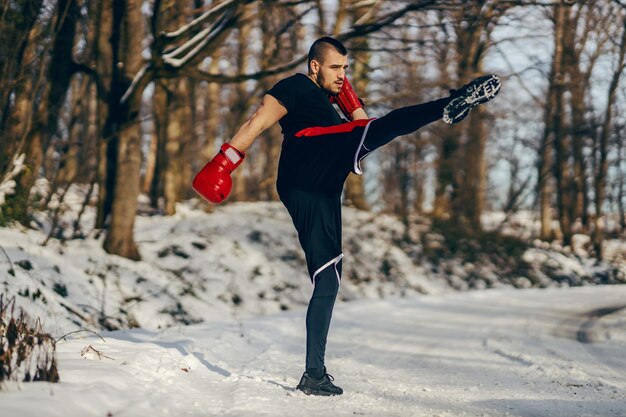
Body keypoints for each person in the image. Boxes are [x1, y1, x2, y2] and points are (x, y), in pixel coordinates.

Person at [192, 36, 501, 396]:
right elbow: (258, 121)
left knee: (329, 278)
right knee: (386, 125)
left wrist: (347, 97)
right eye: (335, 67)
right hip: (309, 157)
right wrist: (225, 161)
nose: (342, 75)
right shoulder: (293, 86)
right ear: (314, 66)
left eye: (346, 69)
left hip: (321, 186)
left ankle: (314, 374)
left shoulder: (330, 100)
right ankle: (451, 103)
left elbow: (363, 126)